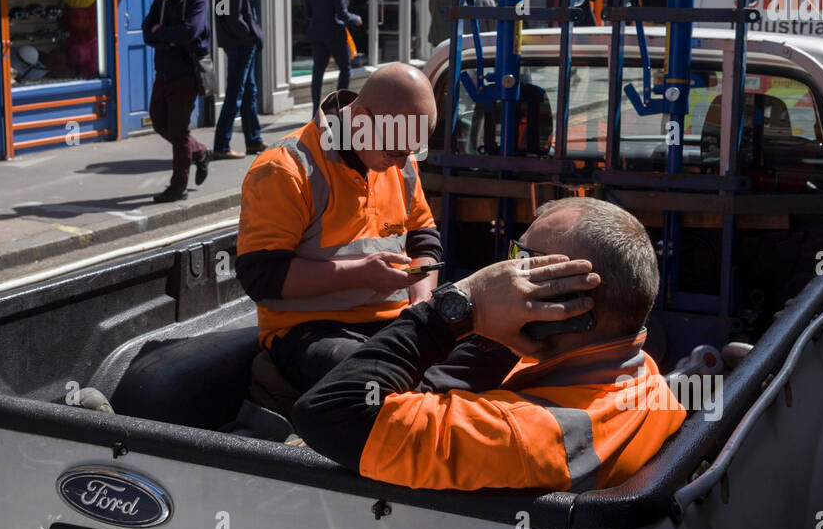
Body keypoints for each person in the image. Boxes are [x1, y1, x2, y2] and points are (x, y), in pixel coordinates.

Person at [293, 197, 688, 492]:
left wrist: (460, 303)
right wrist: (492, 322)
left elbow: (329, 412)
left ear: (572, 308)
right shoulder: (641, 375)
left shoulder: (519, 434)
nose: (505, 272)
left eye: (523, 263)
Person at [236, 63, 444, 393]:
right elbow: (261, 276)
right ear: (360, 121)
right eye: (396, 152)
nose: (403, 163)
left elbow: (424, 238)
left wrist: (421, 300)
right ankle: (278, 387)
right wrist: (359, 274)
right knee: (381, 383)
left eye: (412, 152)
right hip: (309, 331)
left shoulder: (398, 161)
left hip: (395, 320)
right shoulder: (284, 168)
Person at [142, 0, 211, 203]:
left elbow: (191, 32)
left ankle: (177, 186)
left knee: (179, 131)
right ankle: (201, 152)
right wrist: (168, 36)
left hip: (186, 73)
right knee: (160, 122)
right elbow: (146, 32)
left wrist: (164, 34)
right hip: (164, 72)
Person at [211, 0, 266, 160]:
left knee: (248, 91)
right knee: (236, 92)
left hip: (235, 41)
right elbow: (229, 15)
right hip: (240, 43)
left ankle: (254, 139)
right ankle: (222, 144)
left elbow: (223, 13)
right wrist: (248, 36)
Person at [304, 0, 363, 114]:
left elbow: (308, 13)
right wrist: (356, 19)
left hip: (317, 34)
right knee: (345, 69)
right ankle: (337, 108)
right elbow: (342, 14)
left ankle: (315, 110)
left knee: (317, 73)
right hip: (335, 35)